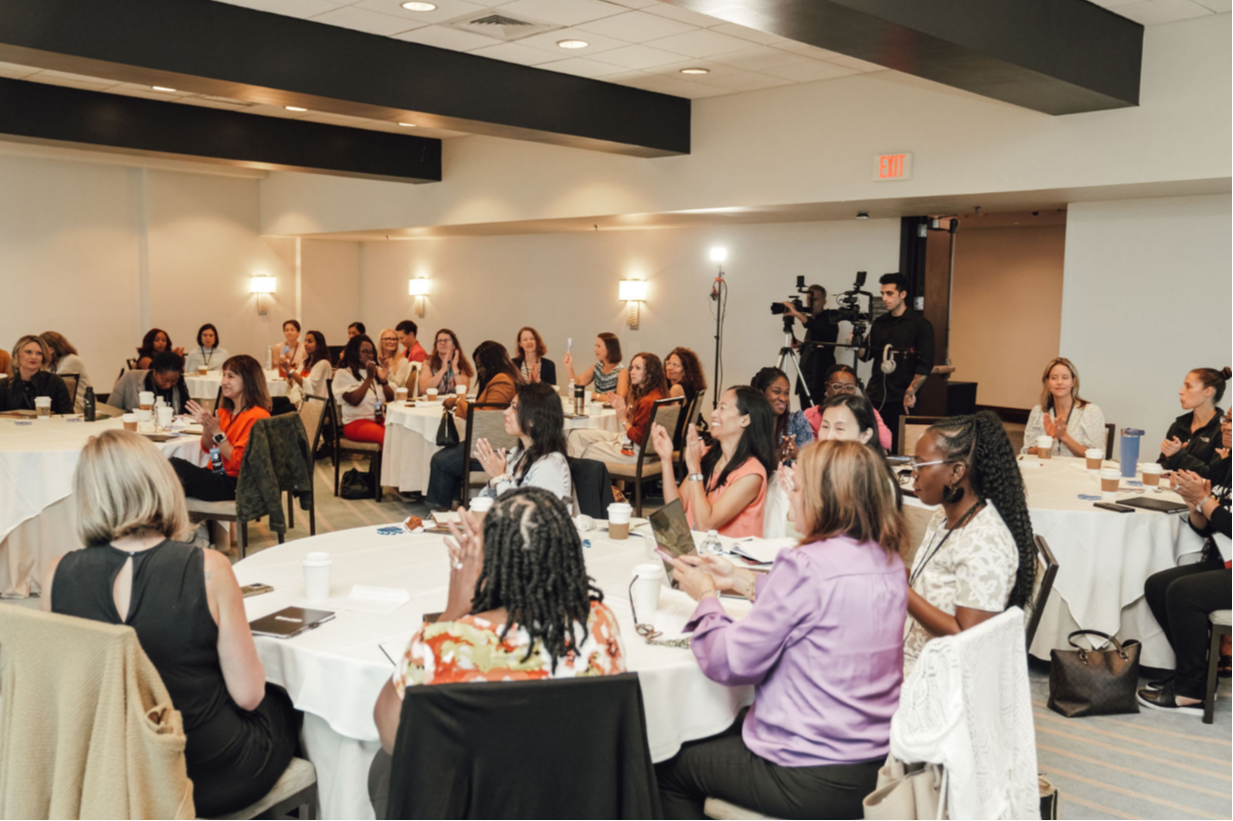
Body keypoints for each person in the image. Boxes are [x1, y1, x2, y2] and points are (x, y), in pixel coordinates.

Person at [41, 430, 299, 817]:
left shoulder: (56, 575)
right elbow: (248, 695)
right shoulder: (209, 568)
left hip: (113, 771)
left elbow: (64, 694)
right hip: (206, 774)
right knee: (287, 703)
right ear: (161, 484)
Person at [655, 440, 909, 820]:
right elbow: (823, 602)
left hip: (806, 772)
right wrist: (739, 579)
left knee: (667, 762)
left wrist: (705, 597)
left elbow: (730, 661)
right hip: (874, 766)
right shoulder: (889, 563)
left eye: (798, 488)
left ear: (825, 500)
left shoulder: (804, 564)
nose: (789, 495)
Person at [369, 489, 627, 818]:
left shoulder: (444, 643)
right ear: (568, 554)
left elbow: (391, 736)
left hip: (473, 805)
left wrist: (452, 612)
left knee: (383, 767)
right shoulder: (601, 624)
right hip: (573, 801)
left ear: (490, 563)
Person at [904, 411, 1036, 675]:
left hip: (940, 679)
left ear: (956, 471)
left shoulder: (986, 541)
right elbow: (934, 581)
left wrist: (900, 592)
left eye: (921, 465)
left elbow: (968, 638)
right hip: (913, 655)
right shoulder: (944, 516)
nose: (913, 474)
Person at [1139, 407, 1232, 715]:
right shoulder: (1225, 463)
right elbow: (1208, 527)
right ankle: (1196, 676)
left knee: (1183, 593)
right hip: (1227, 561)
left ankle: (1191, 691)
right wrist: (1195, 505)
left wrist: (1204, 501)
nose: (1226, 426)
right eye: (1227, 419)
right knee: (1157, 585)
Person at [652, 386, 775, 539]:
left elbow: (706, 525)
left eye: (722, 408)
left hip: (730, 553)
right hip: (699, 548)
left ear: (745, 420)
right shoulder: (708, 455)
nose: (713, 414)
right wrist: (666, 459)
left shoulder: (751, 474)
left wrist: (695, 469)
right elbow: (676, 507)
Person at [426, 342, 520, 509]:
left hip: (494, 449)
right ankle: (454, 505)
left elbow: (485, 416)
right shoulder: (507, 377)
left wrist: (457, 403)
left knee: (440, 461)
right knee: (449, 455)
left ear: (492, 362)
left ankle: (438, 510)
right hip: (492, 444)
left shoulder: (502, 380)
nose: (480, 370)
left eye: (481, 365)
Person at [172, 355, 272, 502]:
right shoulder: (225, 412)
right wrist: (207, 427)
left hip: (237, 483)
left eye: (230, 376)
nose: (224, 381)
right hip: (217, 472)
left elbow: (239, 463)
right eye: (223, 375)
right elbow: (208, 448)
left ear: (248, 380)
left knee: (174, 467)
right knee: (167, 469)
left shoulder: (258, 416)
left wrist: (217, 432)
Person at [859, 274, 935, 453]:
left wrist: (910, 391)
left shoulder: (920, 325)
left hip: (901, 398)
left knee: (898, 447)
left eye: (890, 293)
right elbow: (865, 355)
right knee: (871, 445)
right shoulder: (880, 323)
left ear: (903, 294)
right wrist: (858, 343)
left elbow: (925, 364)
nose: (884, 298)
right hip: (876, 394)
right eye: (882, 294)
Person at [473, 383, 573, 505]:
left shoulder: (550, 464)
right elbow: (487, 502)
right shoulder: (517, 454)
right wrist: (494, 481)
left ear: (532, 420)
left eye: (514, 407)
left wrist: (500, 477)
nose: (505, 412)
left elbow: (530, 513)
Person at [566, 352, 667, 465]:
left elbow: (638, 438)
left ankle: (571, 474)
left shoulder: (648, 402)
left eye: (638, 368)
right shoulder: (659, 395)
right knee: (577, 435)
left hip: (636, 452)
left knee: (584, 449)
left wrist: (622, 418)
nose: (632, 372)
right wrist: (624, 411)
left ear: (651, 373)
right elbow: (640, 428)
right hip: (634, 443)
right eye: (632, 368)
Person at [1022, 358, 1107, 457]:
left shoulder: (1091, 411)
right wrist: (1048, 439)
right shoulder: (1038, 411)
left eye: (1065, 377)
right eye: (1054, 378)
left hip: (1078, 467)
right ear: (1047, 382)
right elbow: (1027, 453)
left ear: (1073, 382)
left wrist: (1064, 437)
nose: (1059, 382)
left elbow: (1098, 456)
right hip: (1046, 466)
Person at [805, 364, 893, 451]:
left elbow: (885, 442)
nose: (843, 392)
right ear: (827, 386)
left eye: (849, 387)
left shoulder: (864, 410)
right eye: (837, 386)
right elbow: (805, 447)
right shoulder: (811, 414)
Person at [1160, 367, 1230, 475]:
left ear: (1207, 391)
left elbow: (1216, 475)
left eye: (1188, 386)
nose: (1180, 391)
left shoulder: (1225, 431)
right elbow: (1161, 467)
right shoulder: (1179, 425)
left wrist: (1179, 456)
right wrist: (1172, 457)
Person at [780, 284, 838, 406]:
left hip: (820, 379)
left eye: (815, 299)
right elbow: (815, 346)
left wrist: (796, 314)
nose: (810, 303)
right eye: (808, 299)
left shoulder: (830, 319)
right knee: (805, 414)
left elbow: (818, 327)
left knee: (819, 414)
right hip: (805, 378)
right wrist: (801, 346)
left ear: (824, 301)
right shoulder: (813, 320)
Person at [333, 334, 394, 446]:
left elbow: (391, 399)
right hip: (355, 422)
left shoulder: (376, 371)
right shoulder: (344, 373)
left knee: (400, 435)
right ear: (354, 352)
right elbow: (354, 401)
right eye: (365, 352)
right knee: (387, 438)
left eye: (371, 352)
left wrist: (383, 380)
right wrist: (369, 378)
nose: (369, 355)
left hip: (379, 419)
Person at [751, 367, 813, 464]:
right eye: (777, 391)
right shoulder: (747, 423)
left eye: (786, 393)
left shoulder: (797, 421)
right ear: (761, 393)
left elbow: (813, 463)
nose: (784, 399)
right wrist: (779, 456)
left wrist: (796, 453)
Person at [1, 335, 74, 415]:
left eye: (39, 353)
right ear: (17, 355)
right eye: (28, 352)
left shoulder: (55, 382)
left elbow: (67, 415)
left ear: (43, 357)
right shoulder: (3, 385)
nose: (34, 357)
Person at [107, 352, 191, 415]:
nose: (168, 386)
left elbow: (185, 413)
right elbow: (110, 410)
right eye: (164, 380)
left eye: (173, 381)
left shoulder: (180, 385)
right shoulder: (130, 378)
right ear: (154, 371)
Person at [563, 333, 628, 400]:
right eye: (595, 346)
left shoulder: (622, 371)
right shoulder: (596, 367)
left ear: (610, 348)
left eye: (598, 346)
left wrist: (595, 396)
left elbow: (620, 398)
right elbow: (577, 384)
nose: (595, 349)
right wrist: (569, 367)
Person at [40, 331, 93, 414]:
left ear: (50, 350)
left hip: (79, 405)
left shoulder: (70, 360)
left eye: (40, 352)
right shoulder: (54, 364)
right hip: (66, 403)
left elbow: (53, 385)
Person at [418, 329, 474, 397]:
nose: (442, 343)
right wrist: (442, 370)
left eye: (446, 340)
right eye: (439, 341)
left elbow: (465, 390)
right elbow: (424, 389)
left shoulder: (461, 363)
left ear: (454, 345)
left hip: (454, 401)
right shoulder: (428, 362)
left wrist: (455, 369)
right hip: (433, 401)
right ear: (436, 346)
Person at [286, 330, 333, 407]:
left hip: (311, 404)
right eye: (305, 341)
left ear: (319, 345)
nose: (306, 344)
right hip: (298, 399)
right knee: (273, 402)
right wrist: (289, 374)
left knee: (276, 408)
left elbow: (308, 386)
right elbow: (295, 384)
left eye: (310, 341)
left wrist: (289, 369)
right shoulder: (304, 362)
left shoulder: (323, 364)